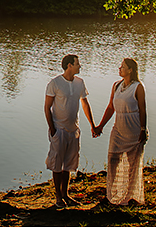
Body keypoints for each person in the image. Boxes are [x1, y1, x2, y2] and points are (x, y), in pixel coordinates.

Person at [44, 54, 98, 208]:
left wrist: (92, 125)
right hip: (59, 130)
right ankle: (58, 198)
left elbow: (85, 105)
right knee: (56, 164)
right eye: (77, 64)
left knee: (68, 164)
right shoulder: (54, 83)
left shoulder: (80, 83)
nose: (80, 66)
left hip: (73, 129)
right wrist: (53, 129)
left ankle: (66, 195)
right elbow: (47, 107)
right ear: (69, 66)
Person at [94, 57, 147, 205]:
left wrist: (143, 129)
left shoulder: (138, 87)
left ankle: (130, 197)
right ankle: (111, 195)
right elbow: (111, 107)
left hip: (133, 128)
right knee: (112, 159)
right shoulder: (116, 85)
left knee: (132, 163)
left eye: (122, 67)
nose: (119, 68)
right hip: (118, 129)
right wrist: (100, 126)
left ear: (130, 70)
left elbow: (143, 109)